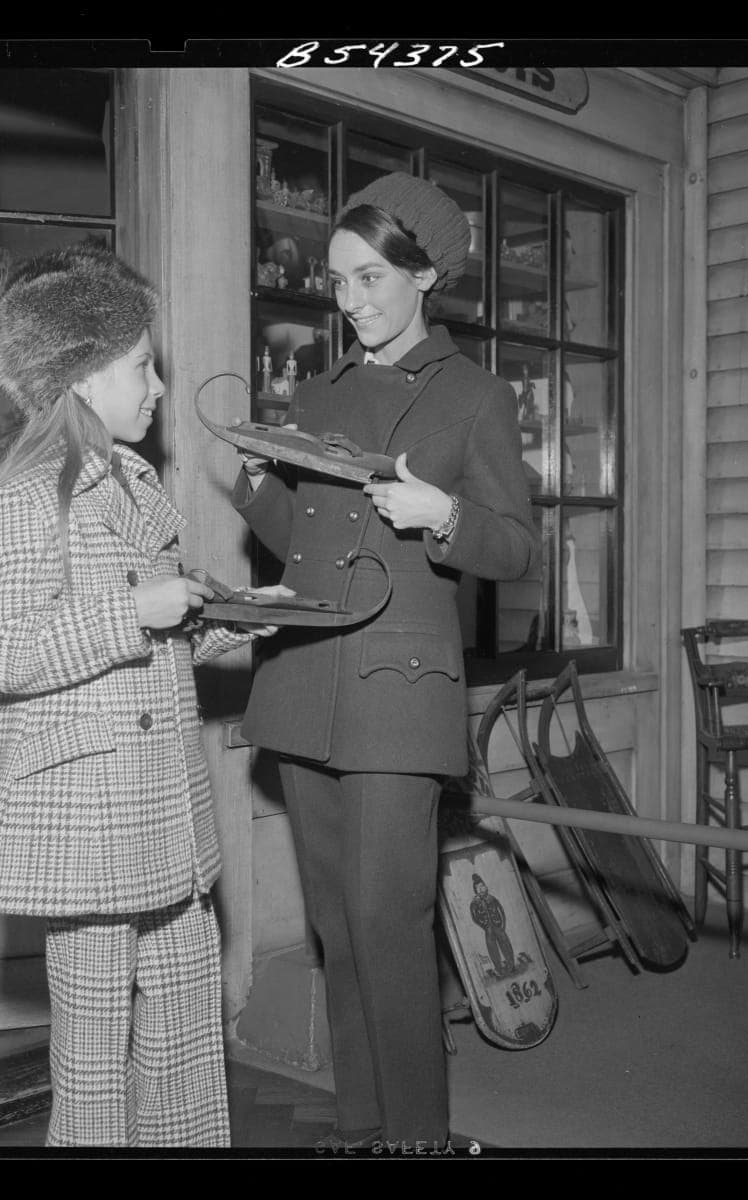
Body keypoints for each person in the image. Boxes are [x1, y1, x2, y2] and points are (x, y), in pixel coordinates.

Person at [231, 172, 538, 1147]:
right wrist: (253, 487)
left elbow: (517, 548)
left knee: (388, 933)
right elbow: (309, 548)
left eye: (370, 278)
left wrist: (443, 514)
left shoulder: (473, 398)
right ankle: (364, 1133)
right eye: (336, 281)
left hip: (397, 700)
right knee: (340, 933)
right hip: (306, 686)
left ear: (425, 275)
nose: (349, 301)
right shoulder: (317, 389)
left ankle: (414, 1139)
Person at [0, 242, 287, 1148]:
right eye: (143, 366)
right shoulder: (24, 504)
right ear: (80, 376)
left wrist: (235, 614)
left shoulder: (129, 488)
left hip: (162, 816)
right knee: (96, 1050)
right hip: (88, 825)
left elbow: (159, 633)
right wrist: (134, 607)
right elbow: (5, 653)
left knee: (188, 1026)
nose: (157, 386)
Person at [470, 874, 516, 979]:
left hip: (498, 926)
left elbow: (501, 911)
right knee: (492, 948)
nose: (481, 889)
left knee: (505, 944)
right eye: (478, 888)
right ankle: (499, 968)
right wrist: (484, 925)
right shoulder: (475, 903)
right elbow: (474, 917)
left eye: (483, 886)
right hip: (488, 929)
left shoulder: (492, 899)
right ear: (475, 890)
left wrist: (502, 925)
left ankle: (511, 965)